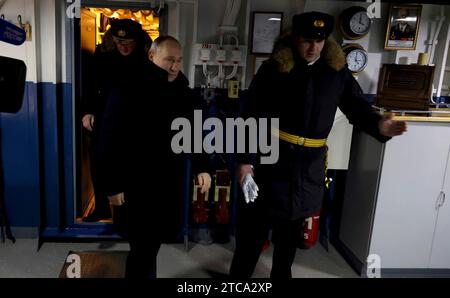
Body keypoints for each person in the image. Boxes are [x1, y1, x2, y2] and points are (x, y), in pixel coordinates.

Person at [229, 11, 407, 278]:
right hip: (270, 165)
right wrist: (245, 161)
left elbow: (356, 108)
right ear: (294, 38)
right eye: (307, 40)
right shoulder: (274, 69)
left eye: (320, 41)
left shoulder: (336, 73)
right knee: (252, 235)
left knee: (288, 239)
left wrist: (379, 125)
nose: (313, 47)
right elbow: (250, 116)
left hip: (307, 170)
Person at [99, 36, 212, 278]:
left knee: (150, 247)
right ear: (152, 56)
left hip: (168, 183)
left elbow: (193, 133)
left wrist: (202, 166)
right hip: (135, 184)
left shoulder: (184, 92)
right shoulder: (128, 88)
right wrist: (113, 185)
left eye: (179, 60)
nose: (174, 66)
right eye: (169, 60)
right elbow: (109, 138)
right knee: (142, 249)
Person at [81, 19, 152, 222]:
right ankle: (102, 208)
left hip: (135, 121)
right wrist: (87, 111)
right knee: (99, 162)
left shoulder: (147, 58)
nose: (123, 46)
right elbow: (91, 85)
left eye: (128, 42)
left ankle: (129, 213)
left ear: (137, 40)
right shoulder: (103, 55)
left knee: (131, 166)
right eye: (119, 42)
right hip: (105, 117)